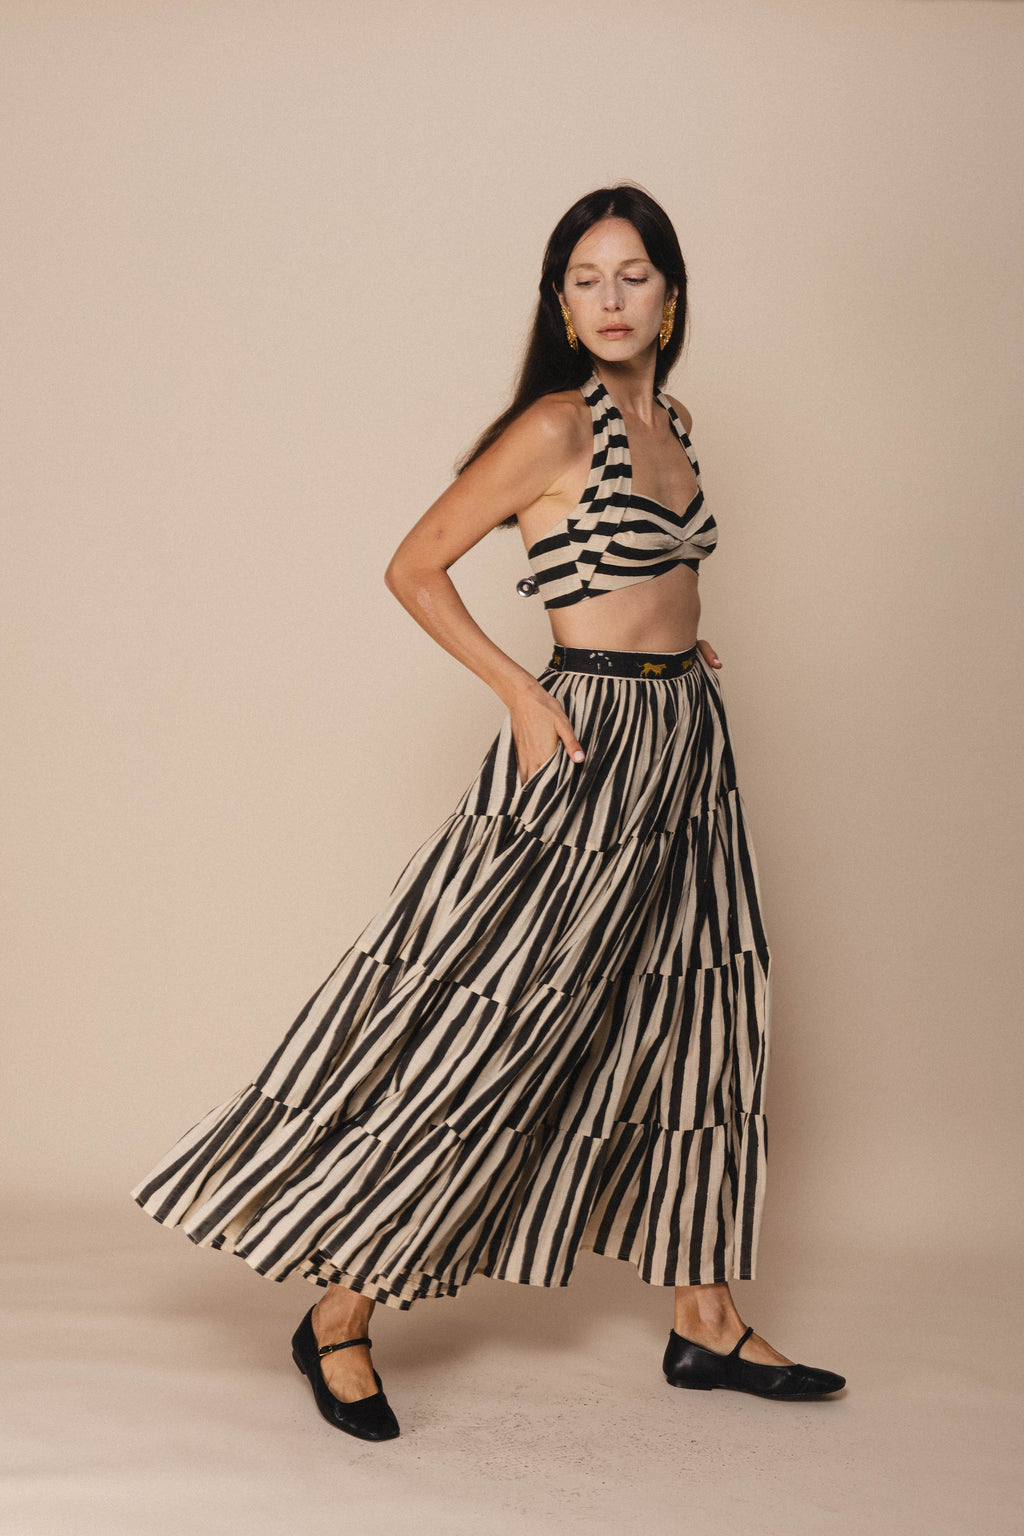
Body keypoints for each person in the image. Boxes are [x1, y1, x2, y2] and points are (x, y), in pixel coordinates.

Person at [131, 184, 845, 1441]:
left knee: (697, 1015)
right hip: (586, 745)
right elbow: (412, 565)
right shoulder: (555, 426)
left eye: (633, 275)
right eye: (586, 278)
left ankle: (705, 1320)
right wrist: (521, 687)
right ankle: (338, 1313)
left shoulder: (672, 422)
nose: (611, 298)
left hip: (686, 740)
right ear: (560, 304)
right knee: (496, 1026)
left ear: (671, 295)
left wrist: (680, 645)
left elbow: (641, 572)